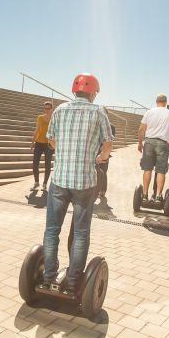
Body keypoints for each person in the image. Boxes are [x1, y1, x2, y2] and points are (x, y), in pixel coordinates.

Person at [42, 73, 114, 293]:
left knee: (52, 230)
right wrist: (99, 157)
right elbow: (108, 144)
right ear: (93, 92)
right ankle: (73, 283)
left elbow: (50, 139)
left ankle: (48, 277)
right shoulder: (98, 111)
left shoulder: (60, 110)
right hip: (85, 181)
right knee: (81, 232)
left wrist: (63, 150)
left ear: (75, 90)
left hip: (60, 180)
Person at [137, 94, 169, 203]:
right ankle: (159, 196)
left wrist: (140, 143)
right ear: (165, 102)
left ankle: (144, 195)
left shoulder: (149, 112)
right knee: (161, 171)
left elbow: (141, 129)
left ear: (156, 101)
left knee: (147, 169)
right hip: (163, 143)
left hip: (149, 142)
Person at [30, 101, 54, 190]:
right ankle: (36, 182)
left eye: (48, 108)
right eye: (45, 108)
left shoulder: (54, 118)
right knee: (35, 163)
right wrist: (32, 142)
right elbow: (36, 130)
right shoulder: (40, 117)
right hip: (39, 143)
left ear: (52, 109)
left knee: (47, 165)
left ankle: (44, 184)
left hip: (49, 144)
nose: (46, 110)